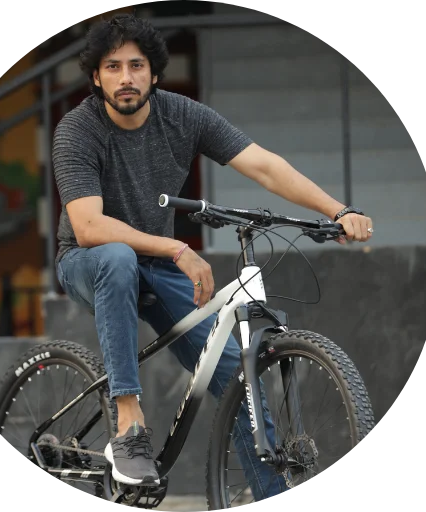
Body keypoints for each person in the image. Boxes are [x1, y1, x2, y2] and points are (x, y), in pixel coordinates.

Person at [52, 13, 373, 502]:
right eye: (112, 67)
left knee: (234, 379)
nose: (125, 77)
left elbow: (263, 165)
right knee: (117, 258)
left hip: (155, 266)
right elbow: (89, 227)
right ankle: (129, 424)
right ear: (96, 77)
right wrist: (177, 247)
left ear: (154, 73)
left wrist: (337, 209)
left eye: (136, 66)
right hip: (88, 261)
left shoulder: (183, 116)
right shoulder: (78, 129)